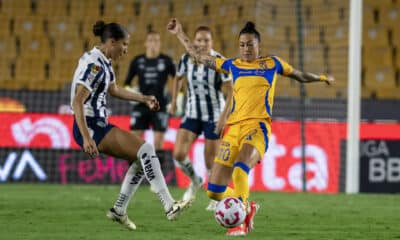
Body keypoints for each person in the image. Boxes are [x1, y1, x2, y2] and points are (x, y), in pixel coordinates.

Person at [167, 18, 334, 236]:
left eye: (250, 44)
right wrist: (180, 33)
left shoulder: (272, 63)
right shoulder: (232, 65)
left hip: (257, 127)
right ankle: (248, 205)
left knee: (240, 169)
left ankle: (241, 220)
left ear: (259, 46)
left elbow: (299, 75)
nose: (245, 49)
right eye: (242, 45)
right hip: (233, 129)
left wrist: (321, 78)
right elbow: (198, 56)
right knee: (214, 192)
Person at [70, 20, 191, 231]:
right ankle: (169, 205)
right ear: (112, 41)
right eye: (124, 45)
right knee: (146, 150)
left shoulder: (103, 61)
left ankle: (119, 209)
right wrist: (87, 137)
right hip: (90, 126)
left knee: (141, 159)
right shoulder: (95, 65)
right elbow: (77, 101)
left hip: (98, 124)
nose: (125, 50)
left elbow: (114, 90)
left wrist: (143, 98)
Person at [169, 25, 233, 211]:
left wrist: (223, 117)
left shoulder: (219, 61)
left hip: (214, 114)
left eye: (206, 40)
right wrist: (173, 101)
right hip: (192, 113)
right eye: (199, 40)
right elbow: (177, 78)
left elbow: (231, 93)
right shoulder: (185, 59)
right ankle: (195, 180)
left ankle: (215, 196)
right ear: (194, 41)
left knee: (210, 161)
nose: (203, 43)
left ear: (212, 42)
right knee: (178, 154)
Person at [124, 31, 176, 151]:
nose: (154, 43)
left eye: (156, 40)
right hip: (141, 105)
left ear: (160, 43)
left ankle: (158, 169)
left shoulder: (167, 61)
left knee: (158, 144)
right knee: (134, 142)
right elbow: (126, 83)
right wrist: (132, 95)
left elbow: (177, 81)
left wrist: (175, 100)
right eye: (151, 40)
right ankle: (135, 170)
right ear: (145, 43)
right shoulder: (137, 61)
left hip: (160, 105)